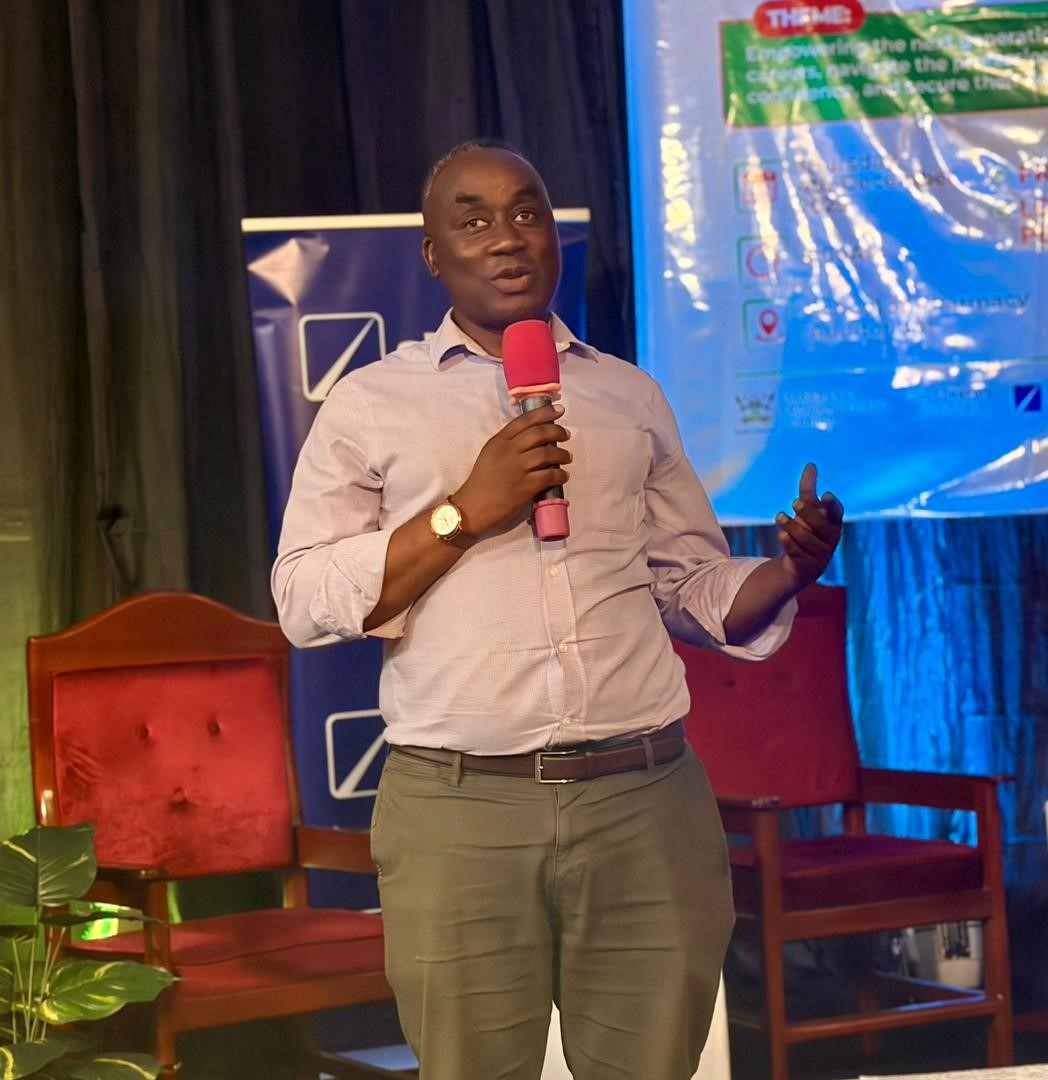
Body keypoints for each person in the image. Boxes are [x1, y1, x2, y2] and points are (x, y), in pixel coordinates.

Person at [272, 140, 843, 1080]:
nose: (507, 237)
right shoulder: (371, 404)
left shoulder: (627, 394)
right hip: (462, 808)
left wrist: (787, 572)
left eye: (527, 213)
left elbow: (689, 587)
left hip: (643, 799)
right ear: (433, 255)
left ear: (554, 239)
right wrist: (465, 510)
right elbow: (302, 599)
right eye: (475, 221)